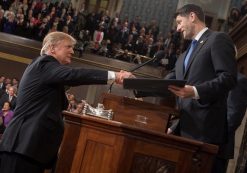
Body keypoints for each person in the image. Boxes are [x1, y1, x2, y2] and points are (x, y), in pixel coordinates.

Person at [0, 31, 133, 173]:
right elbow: (74, 75)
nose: (72, 51)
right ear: (52, 48)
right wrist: (115, 75)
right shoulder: (44, 63)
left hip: (29, 148)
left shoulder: (45, 70)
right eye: (68, 47)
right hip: (22, 146)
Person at [166, 4, 237, 172]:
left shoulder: (217, 39)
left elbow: (228, 78)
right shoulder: (183, 55)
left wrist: (196, 92)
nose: (178, 28)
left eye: (179, 22)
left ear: (192, 16)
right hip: (183, 132)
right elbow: (167, 81)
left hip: (205, 133)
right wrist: (135, 82)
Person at [213, 73, 247, 173]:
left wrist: (209, 138)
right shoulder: (209, 77)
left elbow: (233, 118)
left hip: (218, 148)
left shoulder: (238, 80)